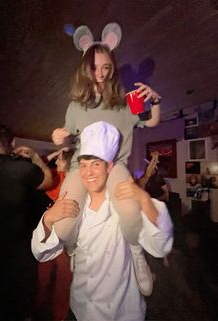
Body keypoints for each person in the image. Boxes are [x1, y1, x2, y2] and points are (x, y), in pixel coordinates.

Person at [51, 23, 161, 294]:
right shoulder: (76, 105)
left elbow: (151, 123)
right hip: (81, 167)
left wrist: (156, 102)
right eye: (94, 67)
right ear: (85, 69)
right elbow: (69, 140)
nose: (99, 74)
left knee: (129, 211)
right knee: (63, 228)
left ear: (112, 68)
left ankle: (137, 255)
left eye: (105, 67)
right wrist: (58, 137)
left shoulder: (124, 102)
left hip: (115, 168)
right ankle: (74, 249)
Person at [32, 121, 173, 321]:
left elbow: (160, 246)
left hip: (125, 310)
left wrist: (143, 198)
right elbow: (42, 253)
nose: (88, 173)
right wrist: (48, 219)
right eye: (83, 165)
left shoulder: (124, 203)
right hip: (83, 309)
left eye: (96, 164)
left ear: (109, 167)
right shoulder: (73, 204)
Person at [0, 124, 53, 321]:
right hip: (18, 250)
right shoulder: (20, 168)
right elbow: (48, 181)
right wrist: (35, 157)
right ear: (12, 143)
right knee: (20, 304)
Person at [34, 147, 74, 321]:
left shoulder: (74, 182)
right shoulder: (53, 178)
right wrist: (54, 154)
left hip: (65, 240)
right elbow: (37, 167)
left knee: (63, 282)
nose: (56, 162)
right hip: (49, 234)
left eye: (60, 159)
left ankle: (60, 316)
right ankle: (37, 309)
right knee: (43, 278)